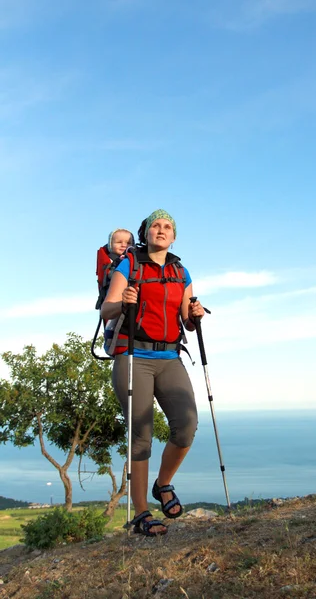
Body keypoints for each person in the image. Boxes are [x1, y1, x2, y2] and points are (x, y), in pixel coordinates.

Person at [101, 209, 205, 536]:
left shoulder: (181, 271)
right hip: (133, 354)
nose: (161, 230)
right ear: (145, 232)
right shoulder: (129, 264)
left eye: (167, 226)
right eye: (156, 226)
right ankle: (142, 514)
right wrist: (123, 301)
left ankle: (163, 484)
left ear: (174, 236)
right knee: (141, 435)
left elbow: (187, 319)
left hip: (170, 355)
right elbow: (106, 307)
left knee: (186, 426)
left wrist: (195, 314)